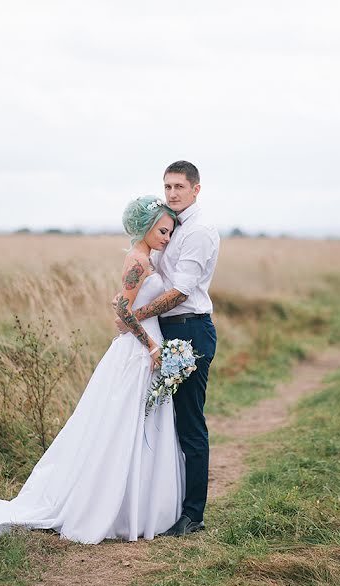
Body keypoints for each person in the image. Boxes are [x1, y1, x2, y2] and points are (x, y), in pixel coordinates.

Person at [0, 196, 186, 544]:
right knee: (121, 424)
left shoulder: (145, 260)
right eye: (163, 231)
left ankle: (138, 506)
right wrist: (152, 345)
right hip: (139, 352)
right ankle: (110, 506)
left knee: (143, 423)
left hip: (147, 349)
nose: (167, 238)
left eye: (170, 233)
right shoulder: (137, 261)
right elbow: (123, 311)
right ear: (147, 226)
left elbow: (123, 303)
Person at [114, 160, 220, 537]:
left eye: (179, 186)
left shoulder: (200, 231)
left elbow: (181, 292)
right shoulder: (169, 227)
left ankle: (193, 514)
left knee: (189, 425)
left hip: (190, 331)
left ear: (196, 189)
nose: (172, 193)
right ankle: (158, 506)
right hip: (161, 335)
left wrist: (132, 316)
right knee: (159, 425)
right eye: (167, 186)